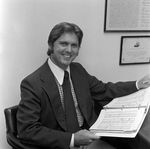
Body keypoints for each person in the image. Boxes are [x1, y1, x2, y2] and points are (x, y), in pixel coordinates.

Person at [17, 22, 150, 149]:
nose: (69, 50)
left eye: (74, 45)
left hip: (93, 137)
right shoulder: (32, 83)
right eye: (63, 44)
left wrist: (138, 84)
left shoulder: (78, 70)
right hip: (61, 144)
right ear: (51, 45)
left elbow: (104, 90)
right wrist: (73, 139)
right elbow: (27, 130)